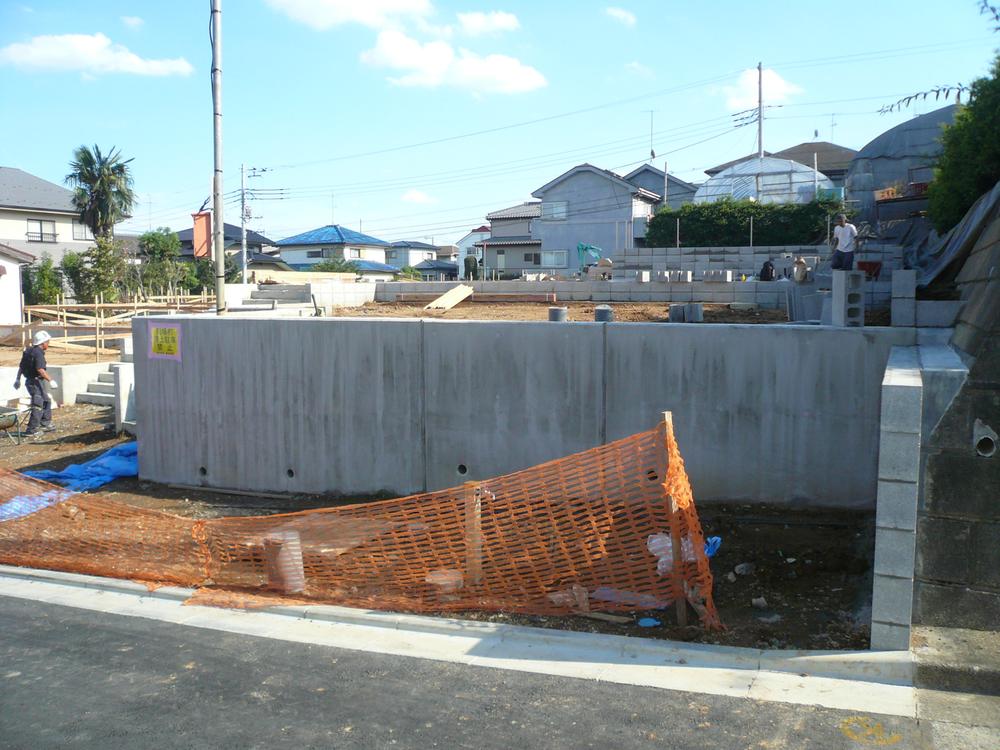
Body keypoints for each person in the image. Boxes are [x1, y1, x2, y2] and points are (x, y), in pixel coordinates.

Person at [14, 330, 58, 437]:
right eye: (47, 342)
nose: (48, 344)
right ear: (43, 343)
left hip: (31, 381)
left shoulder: (28, 351)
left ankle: (45, 422)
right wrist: (50, 380)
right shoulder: (38, 354)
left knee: (46, 400)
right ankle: (32, 429)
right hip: (35, 382)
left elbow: (21, 367)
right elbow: (40, 370)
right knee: (38, 404)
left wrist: (18, 379)